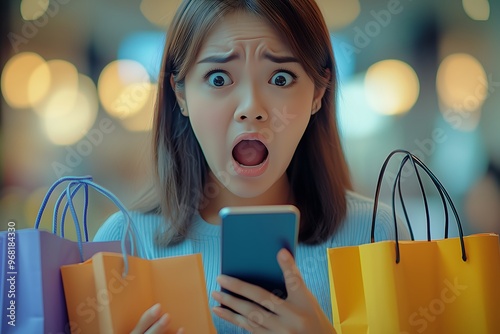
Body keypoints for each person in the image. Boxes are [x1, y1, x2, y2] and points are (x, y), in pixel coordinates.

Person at [94, 0, 410, 332]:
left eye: (281, 78)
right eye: (218, 79)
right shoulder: (122, 243)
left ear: (318, 91)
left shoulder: (378, 235)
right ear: (180, 93)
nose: (251, 108)